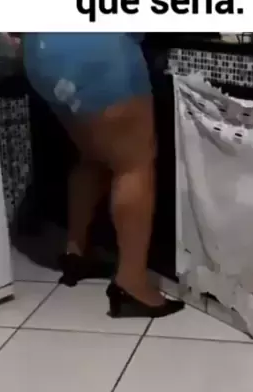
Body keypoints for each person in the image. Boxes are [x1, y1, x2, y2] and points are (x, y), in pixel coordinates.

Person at [21, 33, 184, 318]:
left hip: (42, 54)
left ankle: (75, 252)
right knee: (134, 163)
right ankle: (132, 282)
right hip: (97, 54)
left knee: (93, 153)